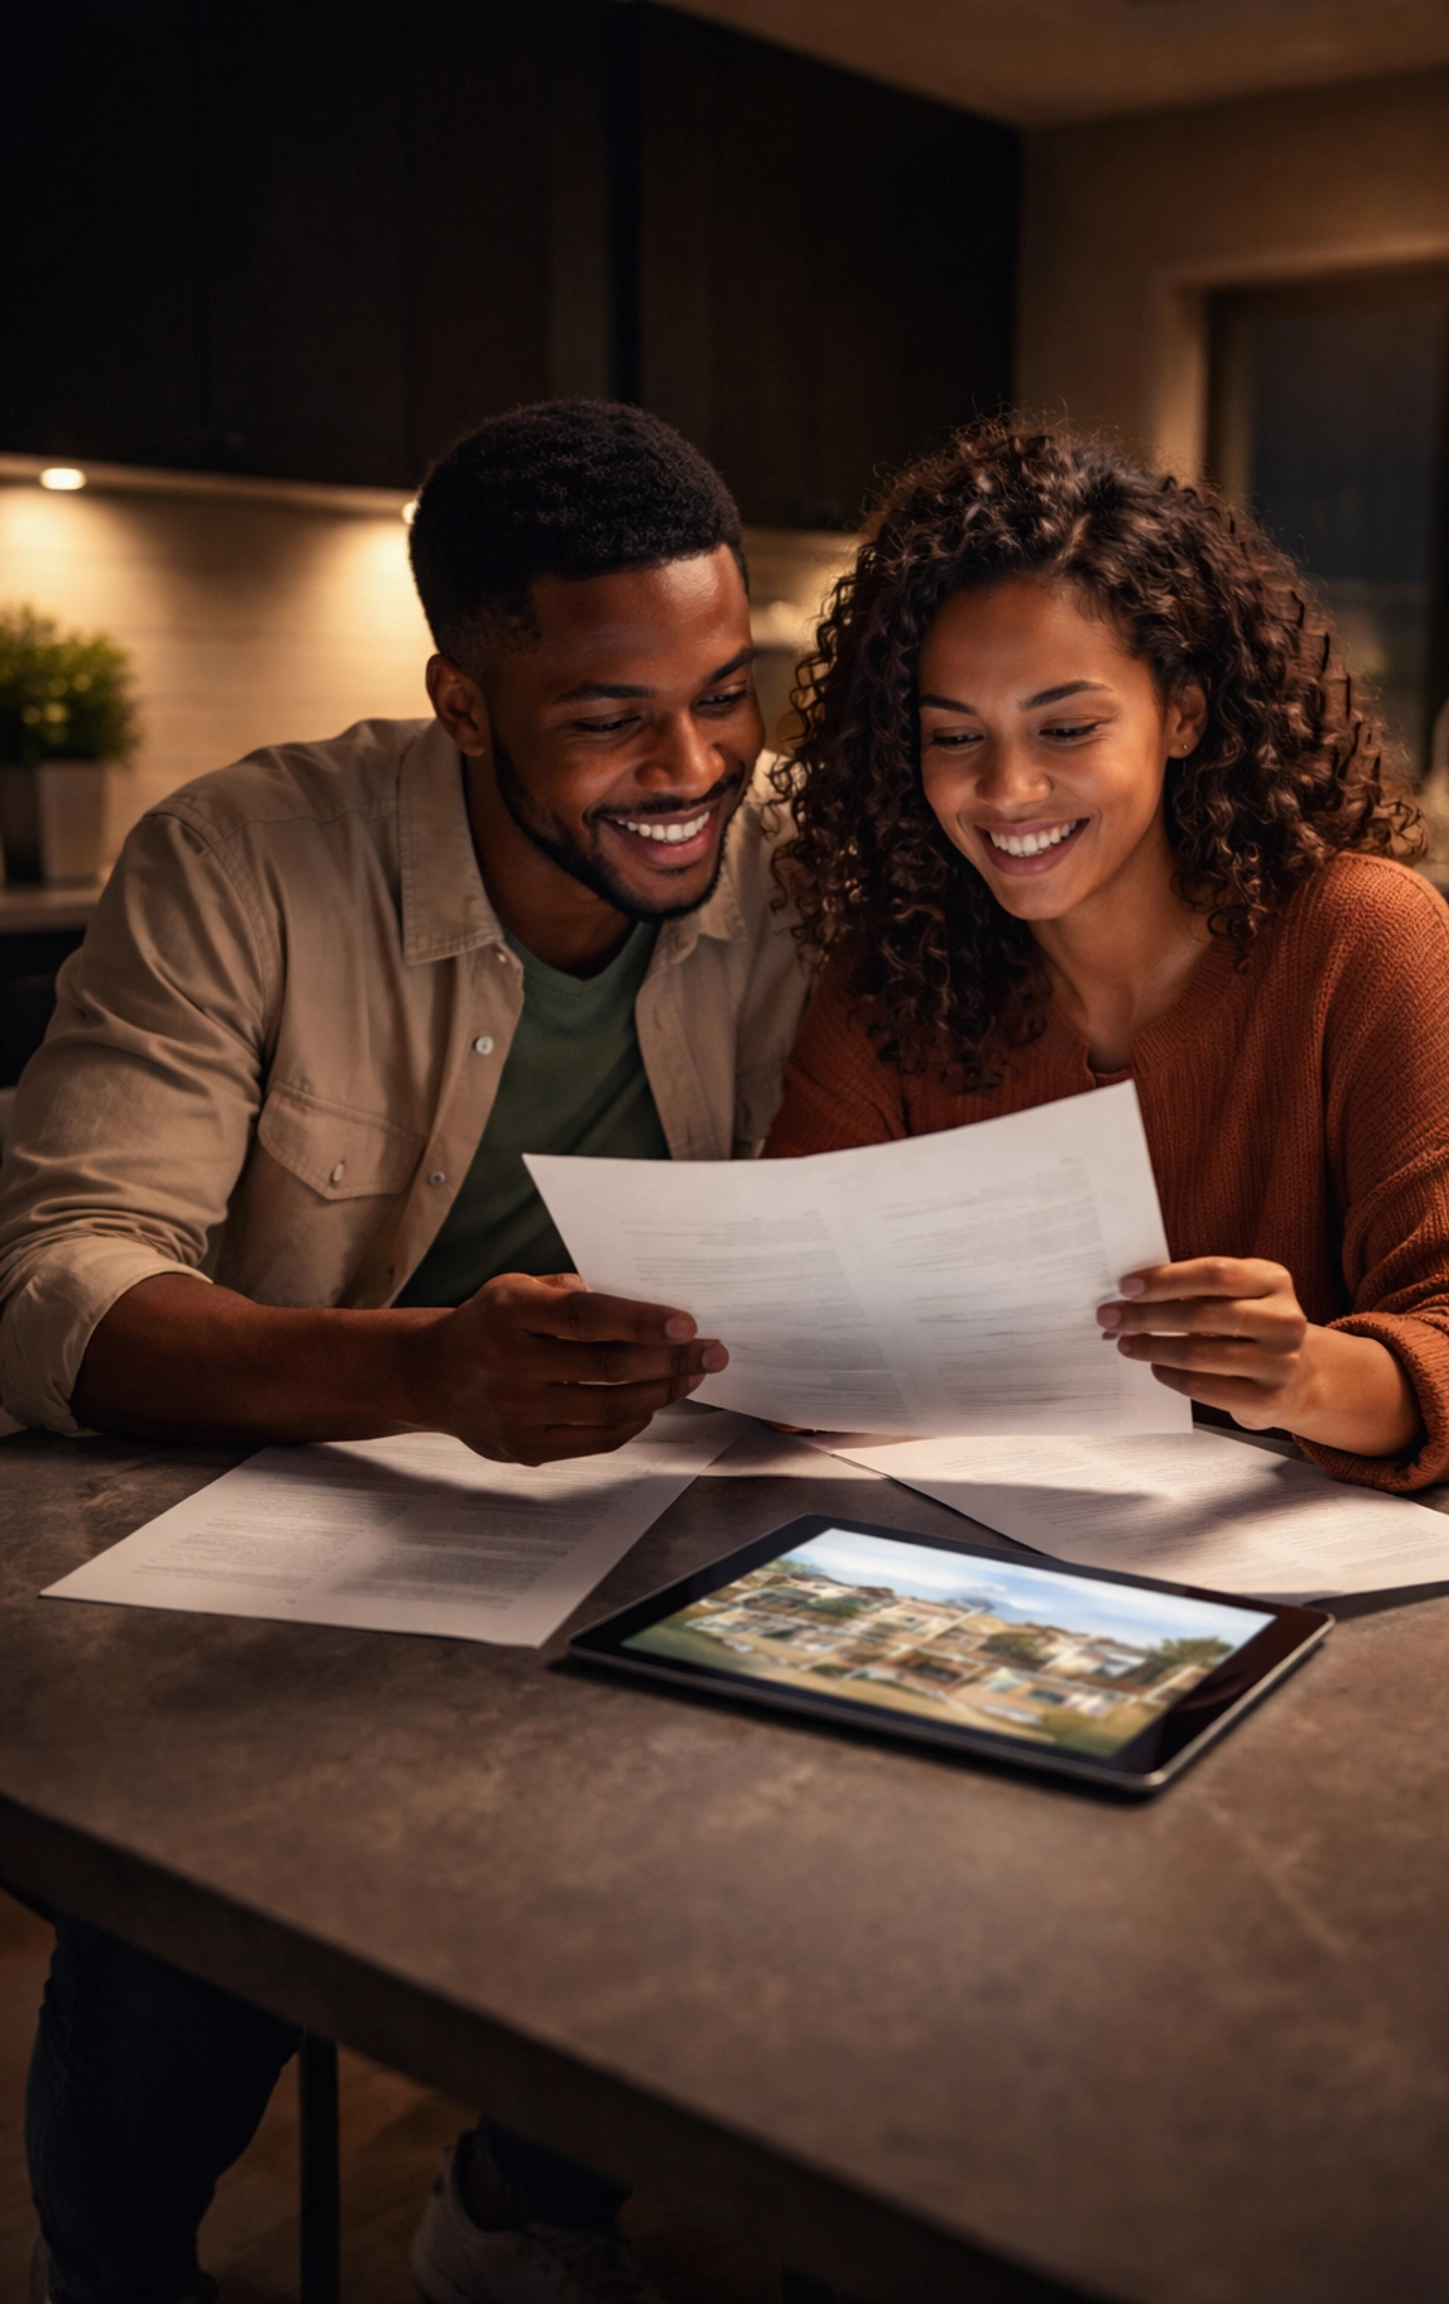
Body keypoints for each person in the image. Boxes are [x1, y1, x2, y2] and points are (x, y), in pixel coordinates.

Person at [0, 400, 809, 2304]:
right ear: (464, 702)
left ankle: (527, 2204)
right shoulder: (243, 856)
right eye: (613, 714)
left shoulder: (781, 881)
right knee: (203, 1884)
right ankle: (116, 2268)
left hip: (636, 1516)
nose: (691, 766)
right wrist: (429, 1372)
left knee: (751, 1832)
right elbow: (48, 1277)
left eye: (724, 691)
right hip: (286, 1515)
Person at [765, 418, 1449, 1489]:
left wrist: (1308, 1374)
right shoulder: (896, 971)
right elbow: (793, 1327)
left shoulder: (1361, 939)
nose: (1006, 789)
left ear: (1182, 712)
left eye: (1067, 728)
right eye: (954, 735)